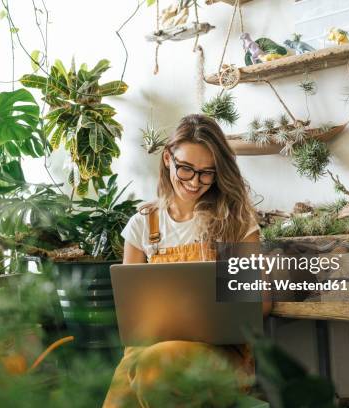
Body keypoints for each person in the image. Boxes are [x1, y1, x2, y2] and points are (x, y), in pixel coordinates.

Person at [103, 114, 272, 407]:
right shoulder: (142, 225)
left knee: (155, 368)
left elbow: (260, 305)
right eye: (186, 169)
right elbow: (130, 311)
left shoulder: (235, 223)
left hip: (220, 354)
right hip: (144, 352)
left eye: (207, 173)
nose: (195, 182)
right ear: (168, 158)